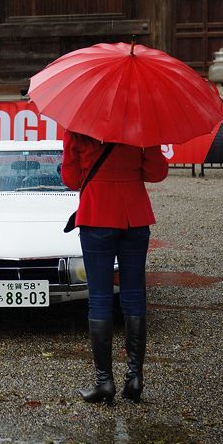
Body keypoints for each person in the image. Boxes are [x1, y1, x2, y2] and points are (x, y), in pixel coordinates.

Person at [61, 130, 168, 405]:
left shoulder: (77, 127)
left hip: (97, 214)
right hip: (134, 214)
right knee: (134, 295)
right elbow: (156, 173)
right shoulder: (141, 125)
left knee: (99, 297)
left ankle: (104, 381)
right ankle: (134, 377)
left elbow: (71, 180)